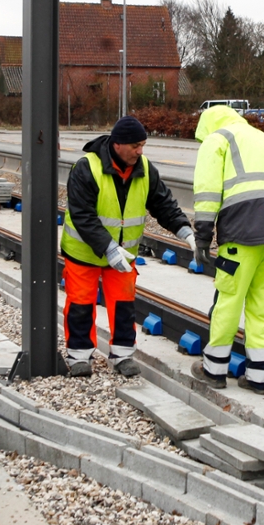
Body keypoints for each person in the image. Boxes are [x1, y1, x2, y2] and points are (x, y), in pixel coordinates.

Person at [62, 115, 194, 377]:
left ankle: (122, 356)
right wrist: (108, 248)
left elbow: (163, 203)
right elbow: (82, 216)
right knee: (80, 304)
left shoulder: (144, 169)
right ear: (117, 145)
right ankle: (79, 357)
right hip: (84, 253)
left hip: (123, 256)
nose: (140, 151)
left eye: (143, 145)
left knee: (124, 305)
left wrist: (184, 230)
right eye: (135, 146)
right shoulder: (86, 168)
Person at [191, 104, 264, 393]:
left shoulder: (217, 139)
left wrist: (202, 237)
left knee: (229, 299)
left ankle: (213, 369)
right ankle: (259, 377)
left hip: (242, 232)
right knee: (263, 306)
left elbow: (208, 193)